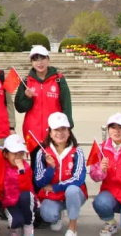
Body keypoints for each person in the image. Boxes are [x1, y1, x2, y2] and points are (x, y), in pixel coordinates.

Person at [14, 43, 74, 229]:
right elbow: (20, 107)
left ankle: (54, 208)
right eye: (35, 59)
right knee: (36, 173)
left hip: (54, 135)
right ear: (31, 62)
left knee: (54, 171)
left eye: (42, 58)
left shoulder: (58, 80)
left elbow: (66, 105)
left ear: (48, 59)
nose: (39, 63)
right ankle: (37, 210)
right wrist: (26, 97)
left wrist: (68, 129)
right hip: (33, 135)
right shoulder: (27, 81)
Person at [34, 112, 87, 236]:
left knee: (72, 190)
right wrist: (51, 168)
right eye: (56, 129)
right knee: (48, 214)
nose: (60, 133)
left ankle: (72, 228)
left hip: (73, 193)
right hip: (52, 196)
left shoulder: (77, 151)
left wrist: (55, 187)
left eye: (63, 129)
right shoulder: (42, 152)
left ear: (69, 132)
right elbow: (39, 181)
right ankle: (57, 216)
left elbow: (78, 179)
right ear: (50, 133)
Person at [1, 134, 36, 236]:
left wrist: (21, 171)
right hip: (9, 202)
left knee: (25, 196)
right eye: (14, 154)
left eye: (20, 154)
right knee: (16, 221)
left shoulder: (25, 167)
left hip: (25, 200)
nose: (18, 157)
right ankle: (15, 229)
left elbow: (26, 187)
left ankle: (28, 226)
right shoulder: (2, 165)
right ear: (6, 154)